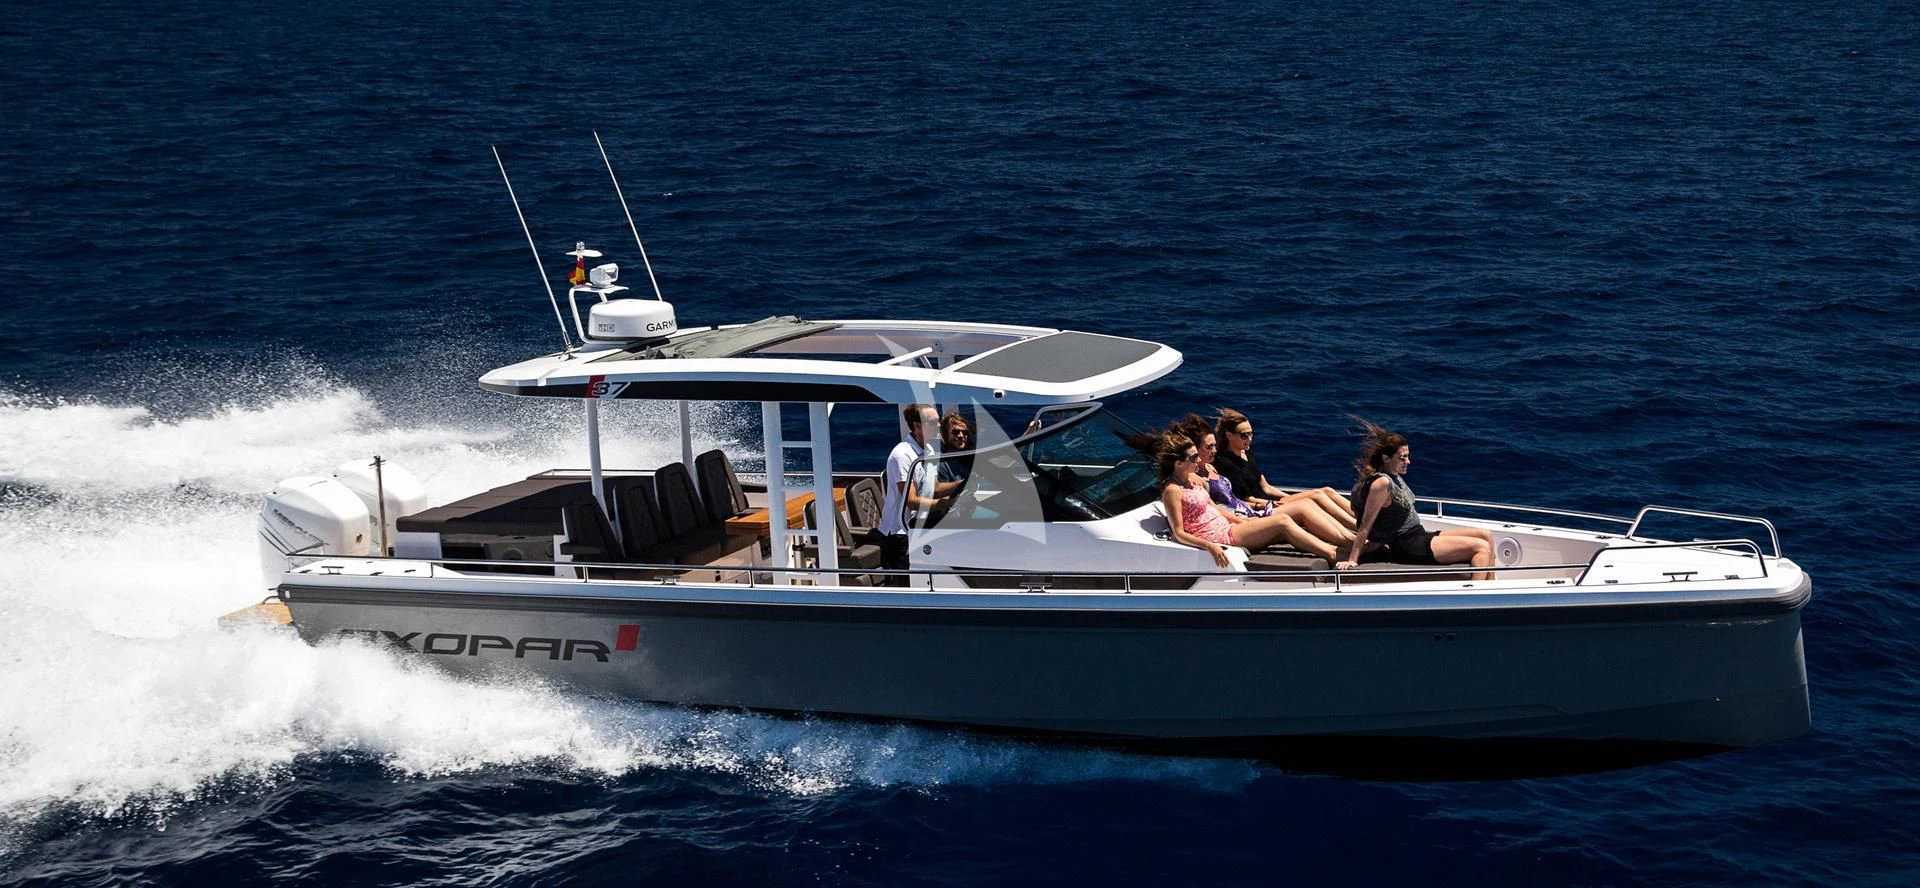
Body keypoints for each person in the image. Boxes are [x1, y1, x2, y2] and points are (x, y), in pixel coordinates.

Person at [1334, 418, 1495, 580]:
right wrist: (1352, 560)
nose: (1408, 461)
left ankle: (1492, 589)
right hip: (1408, 545)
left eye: (1408, 456)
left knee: (1485, 535)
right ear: (1386, 459)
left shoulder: (1394, 475)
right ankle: (1475, 600)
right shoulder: (1381, 483)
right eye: (1402, 457)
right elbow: (1365, 526)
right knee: (1480, 547)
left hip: (1419, 535)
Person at [1156, 432, 1341, 567]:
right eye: (1194, 457)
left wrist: (1241, 520)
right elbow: (1178, 532)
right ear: (1178, 463)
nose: (1198, 460)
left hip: (1229, 527)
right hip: (1218, 537)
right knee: (1282, 521)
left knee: (1283, 524)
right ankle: (1332, 553)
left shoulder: (1193, 480)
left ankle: (1339, 546)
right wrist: (1210, 546)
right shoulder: (1172, 491)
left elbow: (1215, 509)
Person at [1171, 414, 1353, 551]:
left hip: (1245, 510)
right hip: (1246, 512)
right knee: (1304, 505)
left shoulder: (1212, 468)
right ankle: (1350, 543)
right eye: (1209, 447)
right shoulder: (1198, 477)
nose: (1214, 450)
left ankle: (1355, 534)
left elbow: (1260, 487)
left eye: (1214, 446)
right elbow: (1216, 506)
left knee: (1313, 498)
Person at [1212, 408, 1356, 531]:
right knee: (1317, 495)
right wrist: (1277, 503)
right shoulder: (1224, 462)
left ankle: (1361, 520)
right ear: (1229, 435)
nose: (1249, 439)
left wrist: (1287, 497)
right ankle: (1357, 527)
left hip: (1269, 500)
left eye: (1251, 434)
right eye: (1244, 435)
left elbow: (1266, 487)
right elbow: (1246, 499)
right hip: (1258, 507)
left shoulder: (1247, 453)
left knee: (1327, 491)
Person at [879, 404, 953, 585]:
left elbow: (933, 488)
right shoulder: (902, 455)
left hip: (920, 528)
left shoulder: (928, 451)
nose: (938, 427)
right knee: (907, 589)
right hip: (901, 533)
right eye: (933, 423)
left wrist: (962, 486)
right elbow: (910, 501)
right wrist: (946, 504)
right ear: (917, 426)